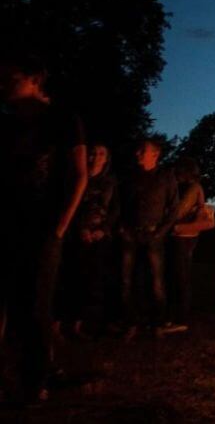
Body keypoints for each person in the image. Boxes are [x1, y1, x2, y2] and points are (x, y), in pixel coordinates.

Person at [0, 54, 87, 403]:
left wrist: (60, 226)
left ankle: (35, 379)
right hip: (7, 221)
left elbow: (79, 175)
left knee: (36, 303)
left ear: (35, 79)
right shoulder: (6, 125)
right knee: (8, 300)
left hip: (44, 225)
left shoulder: (63, 120)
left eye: (11, 77)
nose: (3, 84)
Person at [117, 137, 179, 340]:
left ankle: (158, 323)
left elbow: (173, 208)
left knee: (156, 281)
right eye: (137, 151)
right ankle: (131, 322)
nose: (137, 154)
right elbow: (121, 205)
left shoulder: (165, 176)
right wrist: (123, 228)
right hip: (131, 234)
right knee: (127, 280)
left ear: (155, 154)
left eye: (142, 151)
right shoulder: (130, 177)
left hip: (154, 234)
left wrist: (160, 232)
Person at [61, 144, 119, 339]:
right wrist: (80, 228)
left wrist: (103, 229)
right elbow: (71, 204)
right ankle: (58, 323)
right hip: (75, 234)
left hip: (100, 237)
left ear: (106, 159)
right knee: (69, 277)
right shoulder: (77, 179)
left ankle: (79, 324)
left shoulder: (110, 183)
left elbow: (115, 210)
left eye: (101, 153)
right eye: (93, 153)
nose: (95, 156)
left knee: (91, 279)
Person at [169, 157, 212, 329]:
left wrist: (170, 221)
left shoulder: (193, 188)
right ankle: (177, 315)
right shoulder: (191, 188)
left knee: (181, 275)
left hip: (184, 235)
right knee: (179, 275)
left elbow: (179, 212)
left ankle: (181, 317)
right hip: (185, 234)